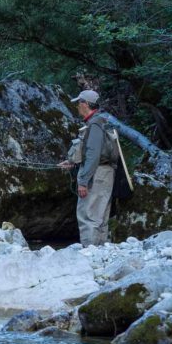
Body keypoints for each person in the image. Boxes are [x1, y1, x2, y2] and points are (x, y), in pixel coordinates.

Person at [59, 90, 117, 247]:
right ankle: (100, 251)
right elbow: (93, 152)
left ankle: (90, 252)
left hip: (96, 174)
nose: (77, 106)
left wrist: (83, 181)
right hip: (104, 173)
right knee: (100, 215)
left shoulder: (95, 124)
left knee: (88, 215)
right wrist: (72, 162)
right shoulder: (101, 121)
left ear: (85, 104)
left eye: (79, 103)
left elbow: (93, 155)